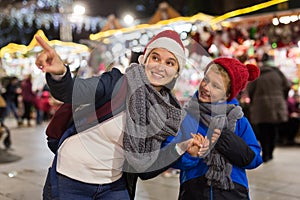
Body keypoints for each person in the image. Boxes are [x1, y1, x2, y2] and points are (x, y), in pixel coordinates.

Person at [35, 30, 202, 200]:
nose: (160, 66)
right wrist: (60, 73)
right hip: (70, 179)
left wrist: (184, 148)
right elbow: (75, 91)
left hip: (113, 185)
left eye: (170, 62)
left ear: (176, 72)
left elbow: (146, 168)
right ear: (144, 60)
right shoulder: (116, 82)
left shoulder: (167, 114)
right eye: (155, 58)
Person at [163, 57, 263, 200]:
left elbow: (254, 159)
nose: (206, 87)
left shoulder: (238, 120)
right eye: (206, 79)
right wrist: (190, 155)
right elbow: (170, 154)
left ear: (228, 94)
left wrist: (227, 141)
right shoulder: (185, 118)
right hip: (193, 191)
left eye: (216, 86)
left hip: (233, 192)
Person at [247, 53, 290, 162]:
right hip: (276, 106)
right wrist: (281, 98)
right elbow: (287, 86)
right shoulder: (278, 73)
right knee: (273, 129)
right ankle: (270, 152)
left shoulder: (258, 74)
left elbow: (250, 89)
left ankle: (265, 153)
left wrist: (253, 100)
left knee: (263, 130)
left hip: (260, 106)